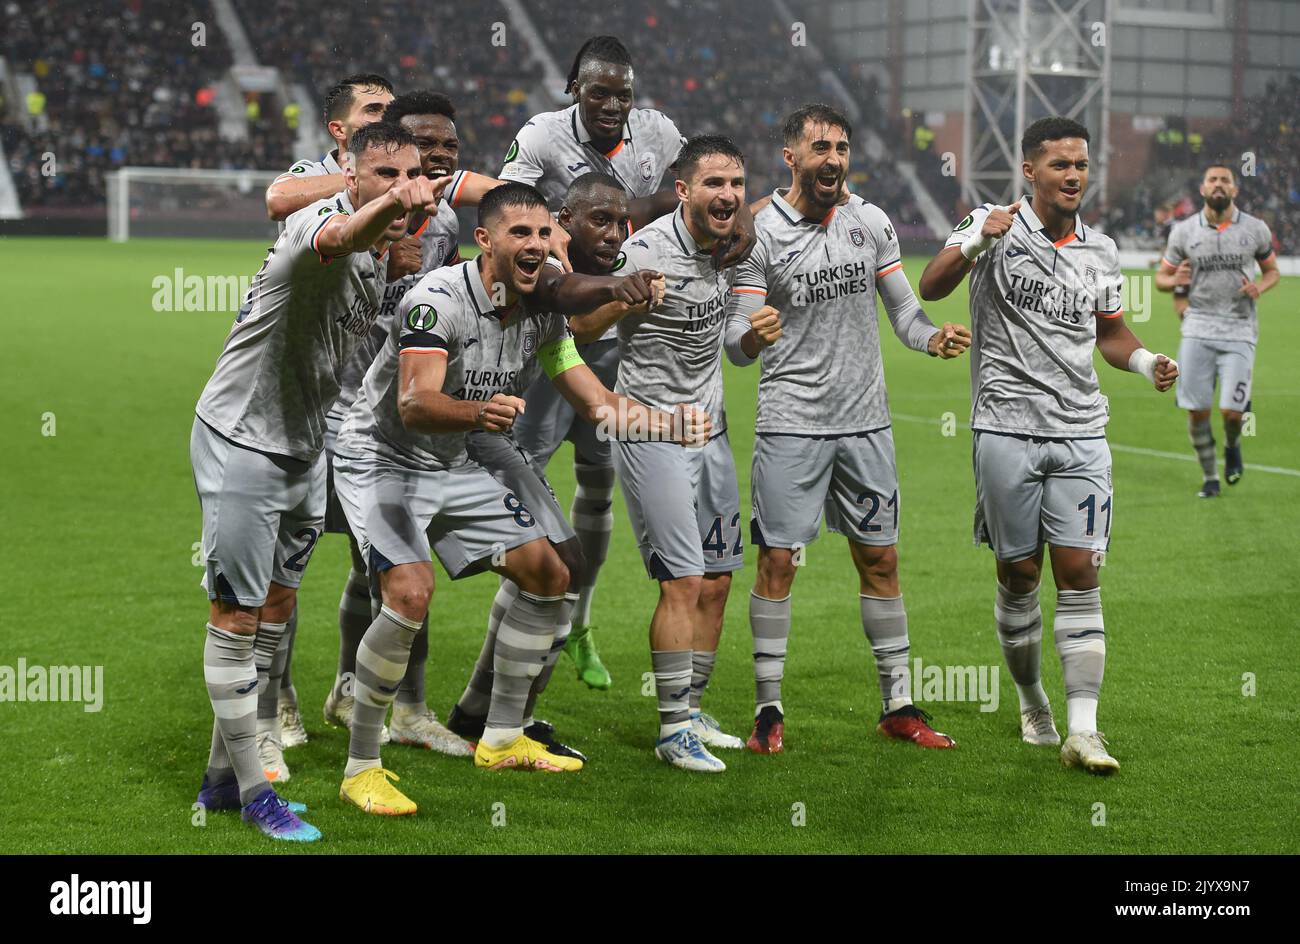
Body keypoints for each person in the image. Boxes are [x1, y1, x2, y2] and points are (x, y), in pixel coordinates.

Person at [332, 183, 682, 814]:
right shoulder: (435, 301)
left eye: (546, 233)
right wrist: (479, 411)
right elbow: (414, 405)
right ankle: (362, 765)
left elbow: (596, 403)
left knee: (549, 572)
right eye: (521, 233)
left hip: (461, 449)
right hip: (384, 456)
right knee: (410, 593)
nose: (538, 245)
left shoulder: (544, 310)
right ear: (485, 239)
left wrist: (674, 422)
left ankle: (501, 736)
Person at [192, 123, 447, 839]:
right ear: (348, 173)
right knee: (235, 615)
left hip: (305, 447)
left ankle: (220, 777)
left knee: (275, 609)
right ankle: (252, 792)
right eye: (384, 174)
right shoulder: (319, 225)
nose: (401, 186)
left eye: (410, 172)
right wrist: (394, 205)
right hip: (242, 440)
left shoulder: (379, 263)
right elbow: (342, 233)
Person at [918, 117, 1179, 775]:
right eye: (1060, 164)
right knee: (1019, 575)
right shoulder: (992, 224)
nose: (1073, 175)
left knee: (1080, 574)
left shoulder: (1102, 250)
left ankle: (1084, 731)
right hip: (1005, 430)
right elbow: (933, 285)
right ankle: (1033, 700)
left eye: (1081, 165)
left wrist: (1147, 362)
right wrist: (979, 239)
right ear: (1030, 171)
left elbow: (1111, 331)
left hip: (1082, 433)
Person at [725, 104, 969, 754]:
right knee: (778, 562)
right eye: (820, 147)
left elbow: (907, 316)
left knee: (881, 558)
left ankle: (898, 705)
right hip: (791, 426)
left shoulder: (872, 222)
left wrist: (934, 338)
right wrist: (754, 330)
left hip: (866, 427)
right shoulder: (758, 230)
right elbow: (737, 345)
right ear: (791, 156)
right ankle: (768, 713)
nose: (833, 158)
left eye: (841, 147)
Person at [1155, 164, 1279, 497]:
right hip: (1196, 329)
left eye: (1226, 180)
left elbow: (1272, 272)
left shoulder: (1255, 229)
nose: (1219, 185)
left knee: (1231, 413)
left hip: (1239, 328)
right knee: (1198, 413)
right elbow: (1161, 279)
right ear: (1203, 189)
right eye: (1213, 179)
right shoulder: (1183, 231)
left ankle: (1234, 445)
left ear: (1235, 190)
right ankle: (1210, 477)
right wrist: (1173, 282)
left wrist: (1260, 288)